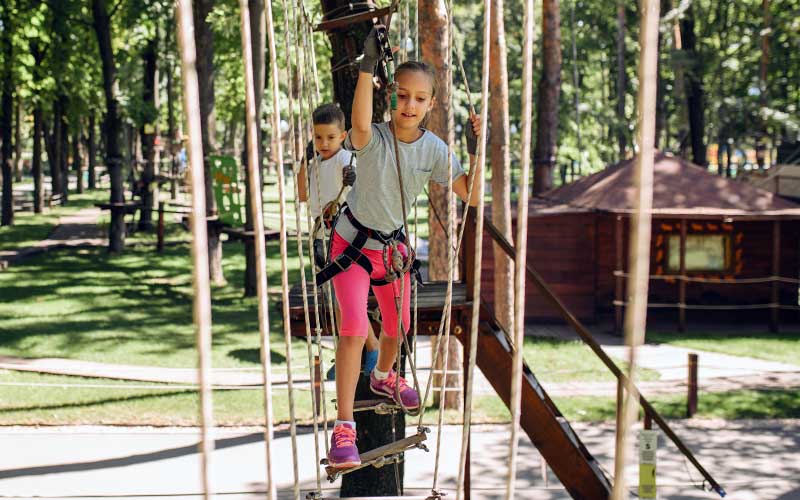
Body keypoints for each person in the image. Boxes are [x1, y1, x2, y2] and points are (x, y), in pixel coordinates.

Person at [324, 26, 482, 469]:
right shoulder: (371, 136)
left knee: (397, 328)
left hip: (390, 251)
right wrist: (367, 67)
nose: (409, 105)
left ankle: (382, 377)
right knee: (354, 328)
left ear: (431, 104)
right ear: (389, 96)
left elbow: (469, 192)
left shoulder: (433, 150)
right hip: (351, 244)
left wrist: (476, 150)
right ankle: (343, 429)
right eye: (402, 95)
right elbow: (355, 123)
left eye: (419, 98)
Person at [297, 103, 380, 380]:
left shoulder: (344, 158)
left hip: (342, 239)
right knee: (340, 304)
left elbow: (361, 185)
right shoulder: (317, 163)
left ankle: (369, 349)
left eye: (330, 137)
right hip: (323, 238)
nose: (324, 143)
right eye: (318, 137)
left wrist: (353, 178)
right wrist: (304, 159)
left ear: (343, 136)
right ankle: (361, 352)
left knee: (346, 303)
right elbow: (302, 195)